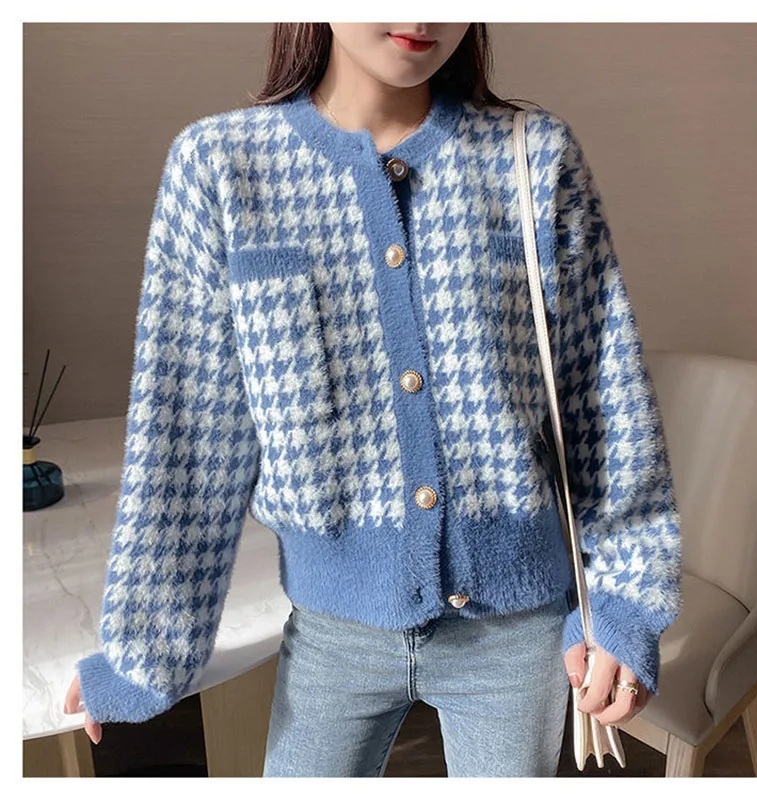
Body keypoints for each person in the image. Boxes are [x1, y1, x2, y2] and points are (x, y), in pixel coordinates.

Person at [63, 22, 683, 777]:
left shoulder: (532, 157)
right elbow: (189, 431)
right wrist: (142, 651)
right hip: (334, 633)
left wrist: (623, 600)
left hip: (516, 632)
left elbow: (603, 397)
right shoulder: (223, 167)